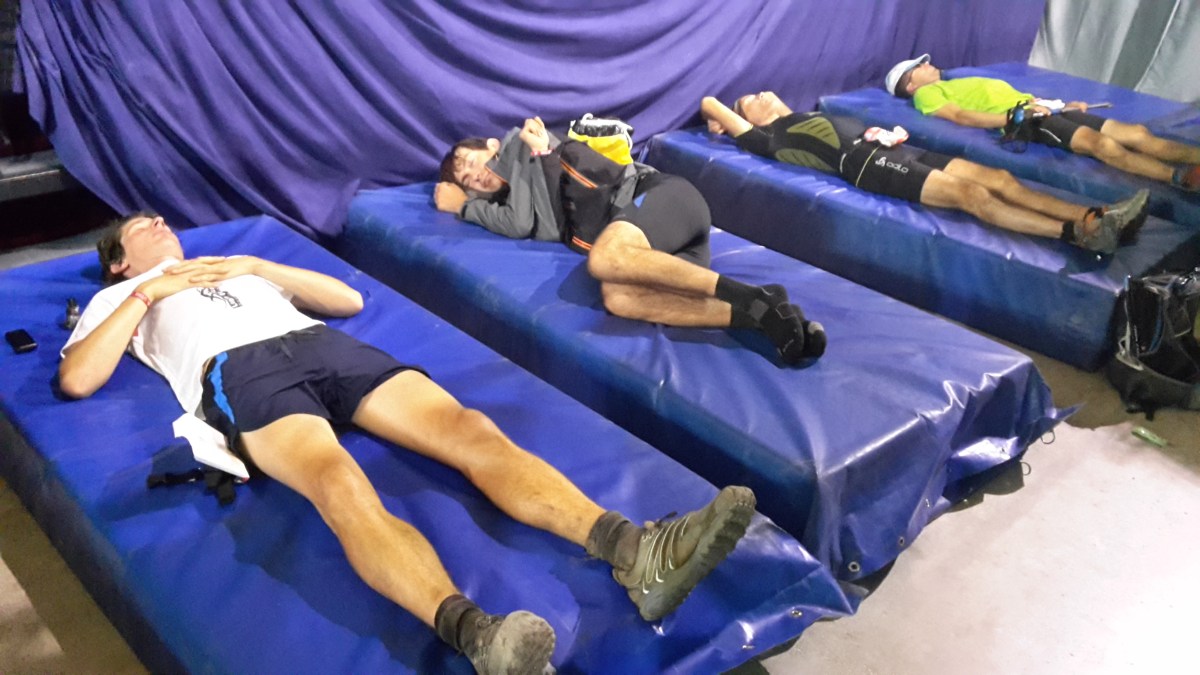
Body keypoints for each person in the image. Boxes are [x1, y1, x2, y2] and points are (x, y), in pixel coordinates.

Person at [59, 212, 760, 675]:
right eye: (140, 226)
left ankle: (634, 552)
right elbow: (79, 377)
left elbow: (347, 301)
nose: (159, 222)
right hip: (241, 372)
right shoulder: (120, 297)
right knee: (337, 482)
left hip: (319, 343)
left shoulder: (233, 264)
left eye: (160, 218)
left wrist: (252, 266)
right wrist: (148, 295)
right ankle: (478, 635)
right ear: (118, 260)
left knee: (470, 429)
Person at [433, 116, 826, 365]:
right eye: (468, 181)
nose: (475, 176)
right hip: (658, 247)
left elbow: (518, 223)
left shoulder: (522, 142)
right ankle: (762, 315)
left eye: (471, 162)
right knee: (618, 297)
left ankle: (751, 296)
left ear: (491, 146)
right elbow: (527, 219)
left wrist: (464, 206)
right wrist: (472, 203)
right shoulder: (516, 193)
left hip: (660, 197)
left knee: (605, 258)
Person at [700, 93, 1150, 255]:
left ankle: (1095, 213)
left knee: (1001, 179)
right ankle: (1077, 233)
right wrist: (721, 120)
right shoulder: (768, 138)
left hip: (893, 147)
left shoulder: (802, 114)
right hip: (867, 164)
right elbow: (709, 103)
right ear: (748, 120)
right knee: (973, 196)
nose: (760, 93)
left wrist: (746, 111)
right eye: (750, 100)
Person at [886, 54, 1200, 191]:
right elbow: (961, 116)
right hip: (1025, 119)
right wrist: (1014, 118)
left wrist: (1062, 105)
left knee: (1137, 133)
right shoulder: (926, 95)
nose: (927, 64)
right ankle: (1180, 179)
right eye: (919, 67)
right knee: (1100, 144)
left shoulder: (957, 81)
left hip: (1041, 108)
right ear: (910, 85)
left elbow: (1019, 96)